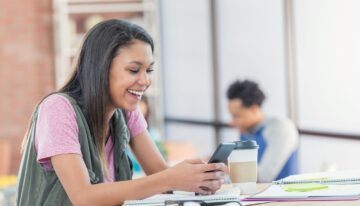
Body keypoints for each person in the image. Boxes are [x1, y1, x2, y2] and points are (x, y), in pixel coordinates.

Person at [16, 19, 226, 206]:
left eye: (149, 70)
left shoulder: (126, 111)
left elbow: (160, 174)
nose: (145, 81)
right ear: (101, 69)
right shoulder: (57, 108)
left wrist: (196, 179)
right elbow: (84, 197)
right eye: (134, 70)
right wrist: (172, 178)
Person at [226, 80, 299, 182]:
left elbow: (263, 177)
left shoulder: (280, 128)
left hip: (281, 195)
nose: (232, 122)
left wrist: (221, 176)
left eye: (237, 116)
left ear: (254, 109)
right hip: (254, 194)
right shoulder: (247, 132)